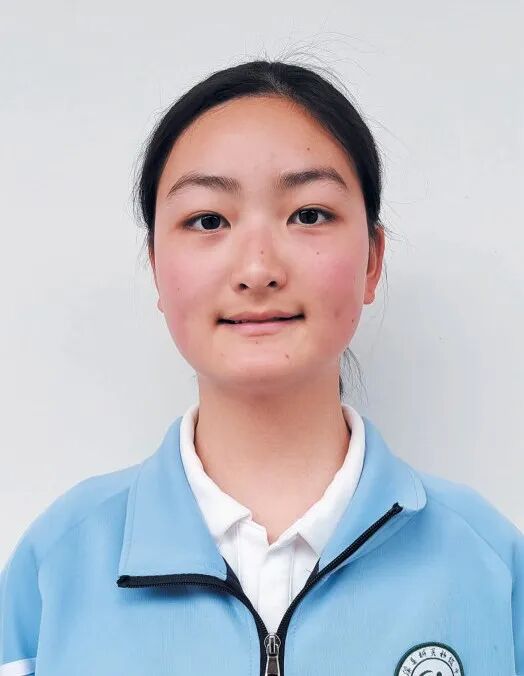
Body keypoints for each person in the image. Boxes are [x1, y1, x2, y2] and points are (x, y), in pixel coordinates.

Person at [1, 58, 522, 676]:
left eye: (309, 215)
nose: (257, 270)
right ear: (156, 267)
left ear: (372, 260)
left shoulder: (489, 562)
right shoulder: (57, 564)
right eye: (208, 221)